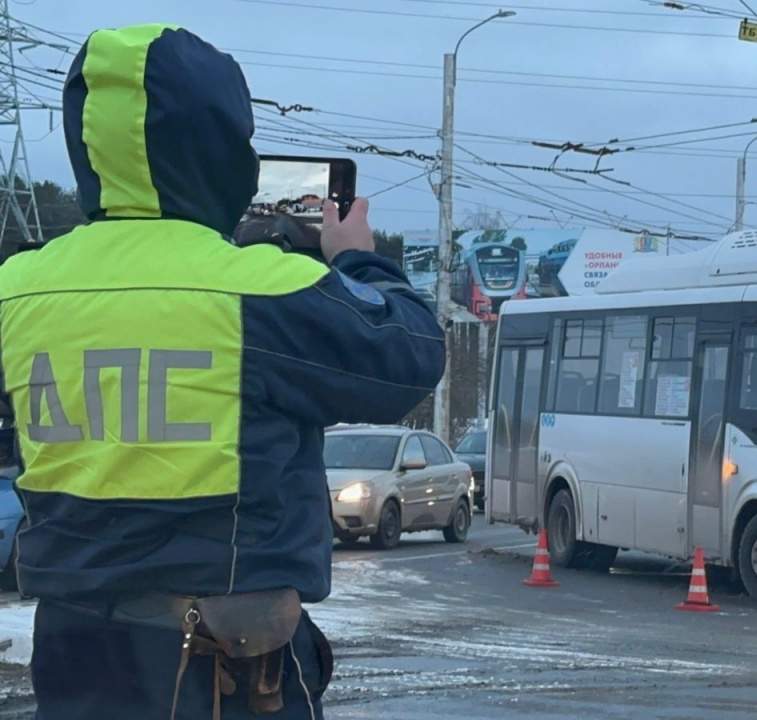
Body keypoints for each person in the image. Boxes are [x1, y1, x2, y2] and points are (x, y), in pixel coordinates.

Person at [0, 24, 446, 720]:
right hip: (225, 669)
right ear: (221, 147)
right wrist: (356, 258)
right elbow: (409, 357)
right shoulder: (258, 291)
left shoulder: (17, 289)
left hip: (74, 654)